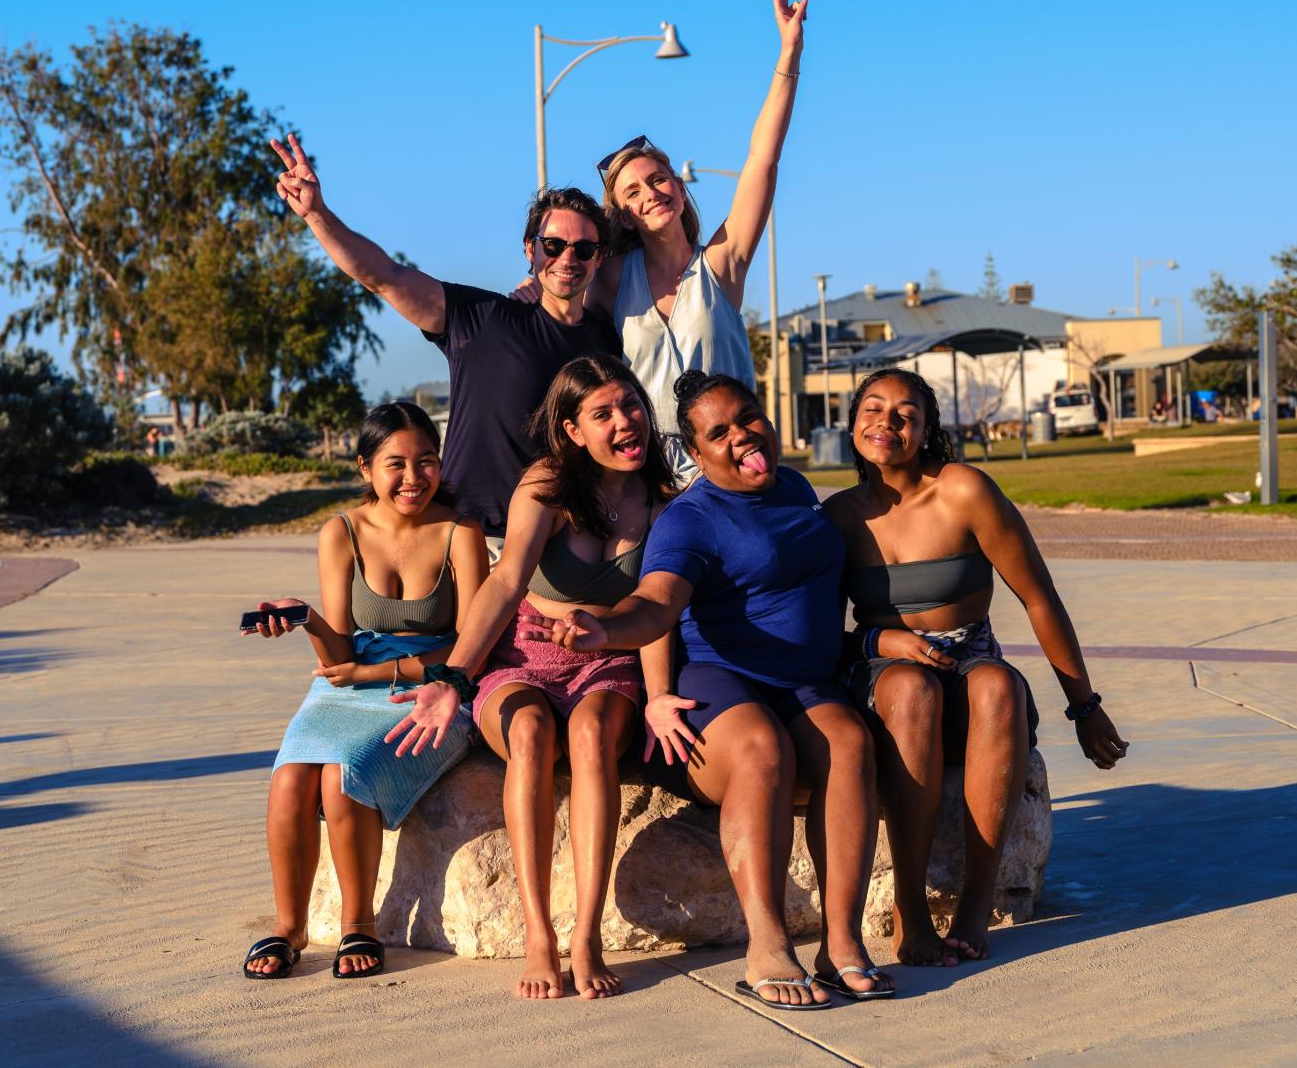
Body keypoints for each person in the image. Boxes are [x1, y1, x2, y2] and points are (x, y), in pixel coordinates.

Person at [513, 371, 892, 1010]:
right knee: (761, 751)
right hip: (720, 682)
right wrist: (603, 627)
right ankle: (767, 943)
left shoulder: (794, 487)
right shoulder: (689, 519)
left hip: (804, 681)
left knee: (850, 745)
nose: (743, 436)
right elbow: (655, 605)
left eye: (749, 418)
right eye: (719, 433)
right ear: (695, 451)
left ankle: (841, 942)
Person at [384, 356, 676, 999]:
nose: (626, 422)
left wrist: (657, 697)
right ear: (572, 431)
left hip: (608, 659)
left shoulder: (661, 498)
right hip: (525, 656)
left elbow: (661, 607)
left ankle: (587, 936)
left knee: (595, 737)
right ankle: (541, 933)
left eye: (630, 406)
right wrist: (454, 678)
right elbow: (507, 579)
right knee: (532, 733)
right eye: (602, 414)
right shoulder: (546, 485)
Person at [825, 368, 1130, 967]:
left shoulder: (964, 491)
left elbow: (1038, 596)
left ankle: (974, 906)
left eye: (906, 413)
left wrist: (1085, 706)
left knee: (996, 685)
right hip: (885, 673)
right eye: (873, 408)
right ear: (853, 421)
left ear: (927, 429)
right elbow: (818, 636)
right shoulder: (837, 517)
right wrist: (886, 643)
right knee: (913, 690)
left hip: (970, 661)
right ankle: (910, 914)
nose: (887, 422)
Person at [270, 133, 621, 547]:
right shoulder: (483, 318)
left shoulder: (608, 345)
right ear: (531, 249)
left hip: (561, 546)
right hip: (470, 540)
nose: (567, 258)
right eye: (553, 245)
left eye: (583, 249)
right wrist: (317, 215)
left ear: (598, 258)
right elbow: (383, 276)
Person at [239, 402, 487, 980]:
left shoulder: (460, 531)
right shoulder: (341, 532)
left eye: (426, 461)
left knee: (343, 771)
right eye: (395, 464)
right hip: (348, 687)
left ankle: (360, 925)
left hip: (434, 687)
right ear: (364, 468)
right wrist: (307, 621)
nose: (413, 477)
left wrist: (383, 675)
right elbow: (341, 655)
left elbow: (473, 643)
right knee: (290, 776)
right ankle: (289, 927)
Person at [592, 0, 808, 481]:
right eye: (634, 191)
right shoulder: (610, 278)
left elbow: (762, 160)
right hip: (645, 478)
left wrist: (790, 49)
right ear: (622, 214)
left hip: (732, 466)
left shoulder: (720, 265)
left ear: (680, 186)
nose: (652, 193)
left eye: (659, 178)